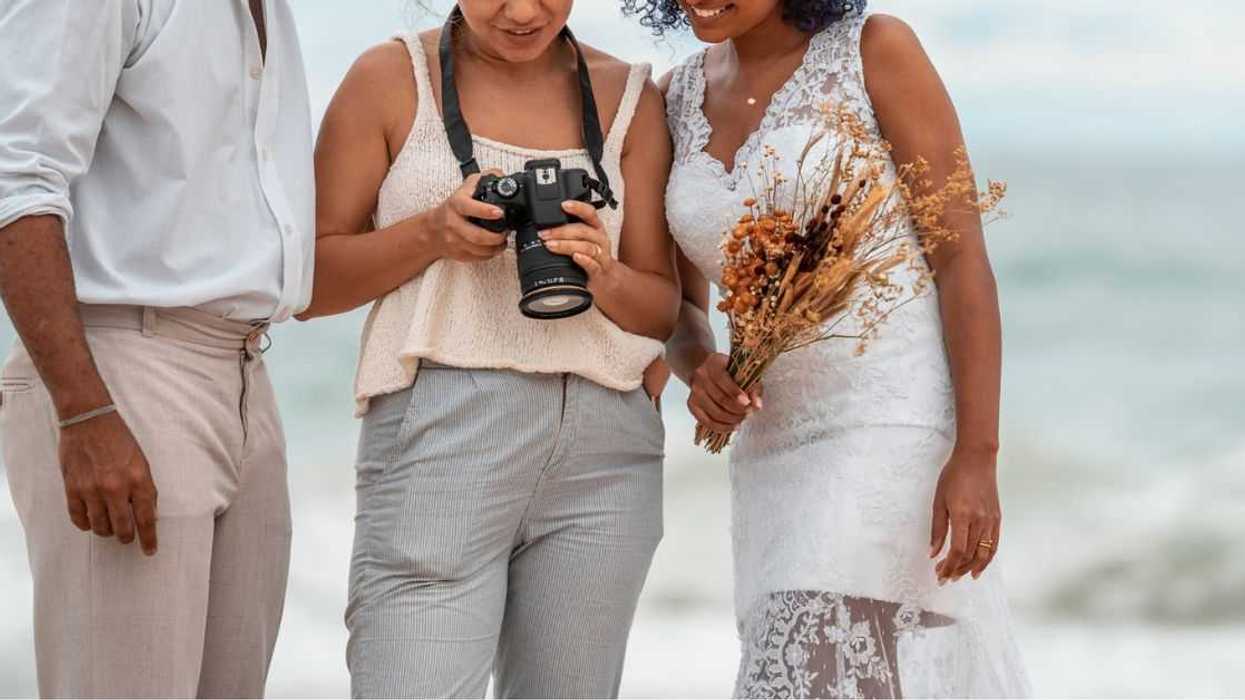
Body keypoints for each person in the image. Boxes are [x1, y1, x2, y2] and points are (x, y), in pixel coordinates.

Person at [625, 0, 1031, 696]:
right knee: (837, 673)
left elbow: (960, 256)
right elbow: (681, 304)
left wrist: (976, 454)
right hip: (771, 449)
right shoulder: (673, 98)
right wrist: (699, 367)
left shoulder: (875, 50)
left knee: (801, 663)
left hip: (888, 424)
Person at [301, 0, 679, 696]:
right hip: (442, 427)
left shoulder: (629, 95)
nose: (522, 11)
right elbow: (307, 286)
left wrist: (603, 269)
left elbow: (661, 309)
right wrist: (430, 235)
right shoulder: (389, 78)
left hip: (606, 448)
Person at [0, 1, 314, 696]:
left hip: (243, 369)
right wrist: (84, 415)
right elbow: (15, 182)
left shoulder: (272, 15)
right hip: (123, 369)